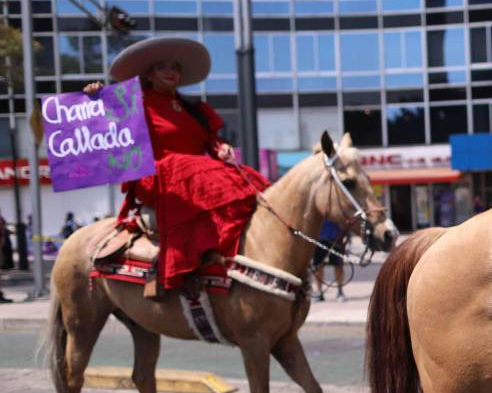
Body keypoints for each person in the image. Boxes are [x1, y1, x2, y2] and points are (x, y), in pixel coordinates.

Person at [83, 37, 270, 296]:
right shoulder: (135, 103)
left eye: (175, 67)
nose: (170, 72)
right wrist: (95, 100)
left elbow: (212, 141)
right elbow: (107, 128)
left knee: (246, 180)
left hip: (198, 174)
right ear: (149, 74)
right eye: (162, 67)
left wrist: (220, 149)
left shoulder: (193, 108)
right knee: (197, 172)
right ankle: (185, 270)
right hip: (158, 177)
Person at [312, 219, 347, 303]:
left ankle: (340, 291)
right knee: (318, 266)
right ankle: (319, 292)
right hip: (319, 238)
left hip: (336, 238)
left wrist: (345, 234)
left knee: (338, 265)